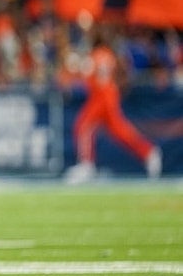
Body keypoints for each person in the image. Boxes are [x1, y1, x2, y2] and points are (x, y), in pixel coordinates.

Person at [64, 30, 162, 184]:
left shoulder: (96, 55)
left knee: (83, 126)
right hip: (109, 94)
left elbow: (86, 75)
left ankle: (86, 164)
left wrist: (76, 66)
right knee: (120, 131)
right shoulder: (108, 54)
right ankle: (148, 152)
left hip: (101, 97)